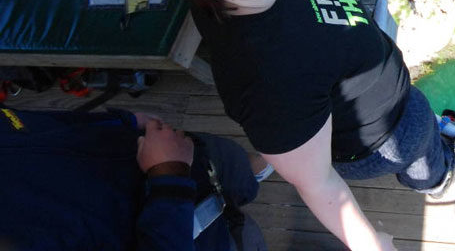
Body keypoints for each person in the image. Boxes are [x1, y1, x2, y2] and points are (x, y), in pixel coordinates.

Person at [126, 0, 455, 251]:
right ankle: (438, 177)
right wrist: (374, 246)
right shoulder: (269, 82)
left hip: (377, 101)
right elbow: (319, 184)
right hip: (387, 135)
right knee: (423, 149)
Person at [0, 106, 267, 251]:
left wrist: (123, 121)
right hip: (201, 234)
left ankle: (258, 177)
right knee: (247, 234)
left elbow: (29, 122)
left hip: (190, 159)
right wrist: (169, 174)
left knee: (239, 171)